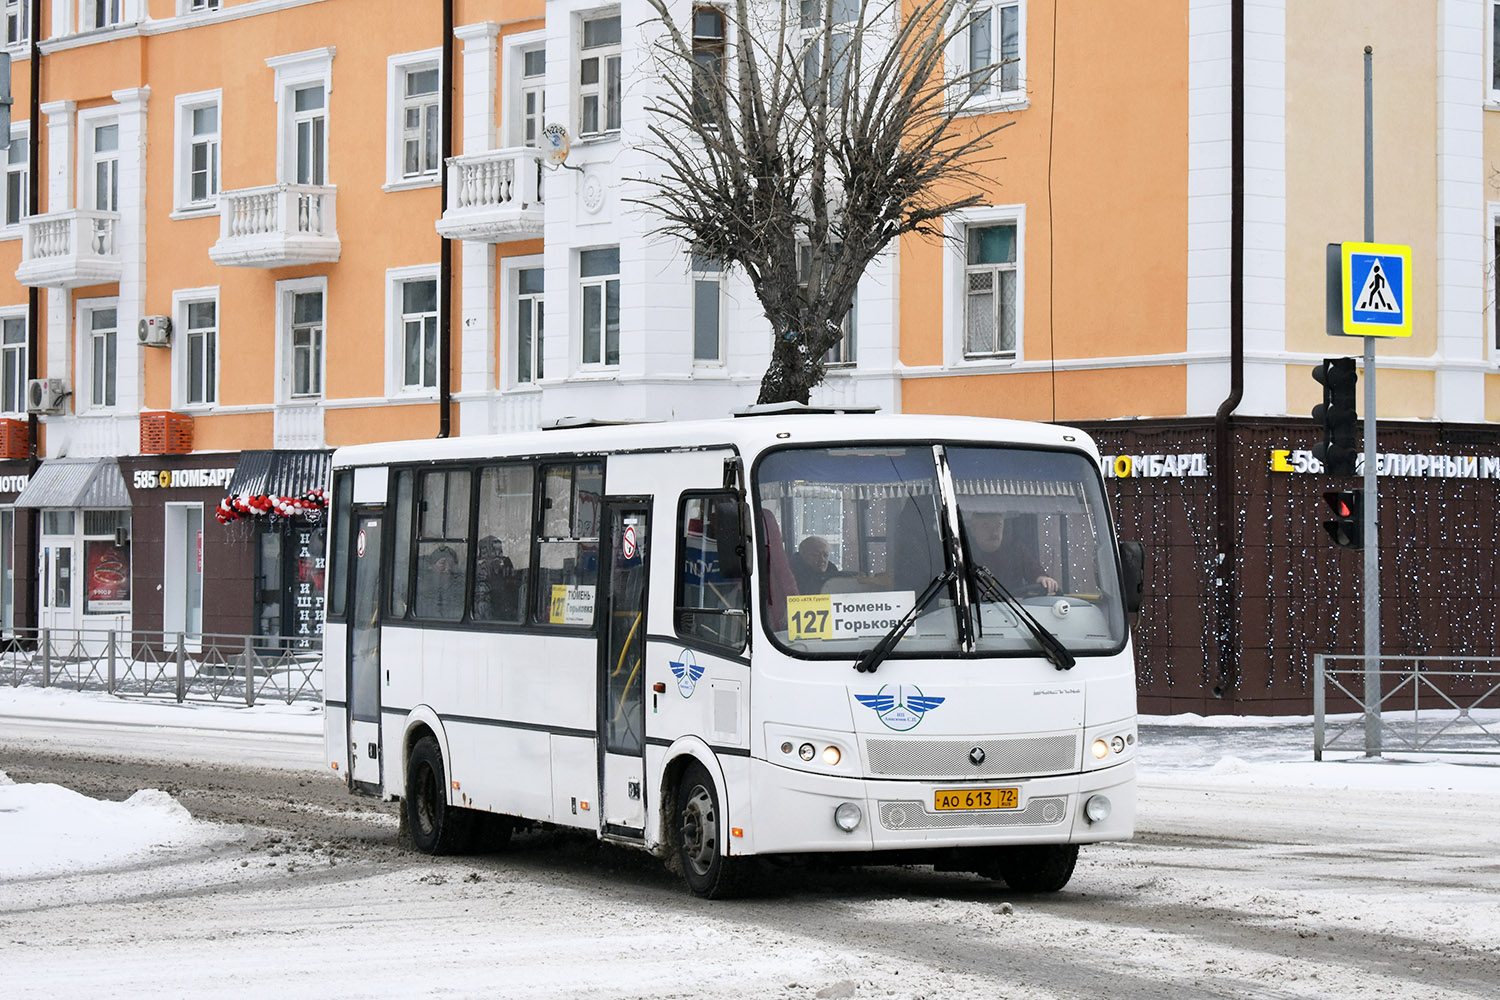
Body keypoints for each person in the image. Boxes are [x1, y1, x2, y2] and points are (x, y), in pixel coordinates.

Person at [964, 511, 1059, 595]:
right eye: (986, 526)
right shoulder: (964, 556)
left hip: (1014, 610)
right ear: (973, 530)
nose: (994, 532)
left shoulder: (1017, 551)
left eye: (998, 525)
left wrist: (1043, 579)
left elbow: (1034, 572)